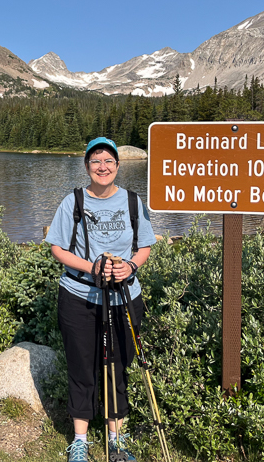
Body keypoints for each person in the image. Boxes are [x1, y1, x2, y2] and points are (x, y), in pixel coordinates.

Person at [46, 137, 157, 462]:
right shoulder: (74, 202)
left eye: (108, 161)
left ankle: (115, 440)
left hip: (125, 297)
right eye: (96, 161)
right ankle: (80, 441)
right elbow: (57, 248)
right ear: (87, 167)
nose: (103, 166)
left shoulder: (134, 202)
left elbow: (145, 246)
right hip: (79, 297)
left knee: (119, 367)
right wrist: (92, 266)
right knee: (82, 367)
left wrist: (131, 266)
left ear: (118, 166)